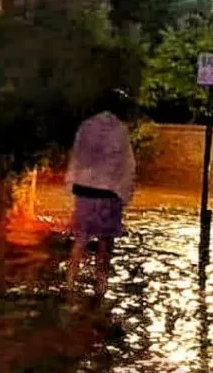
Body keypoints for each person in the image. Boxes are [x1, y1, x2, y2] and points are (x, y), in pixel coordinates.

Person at [65, 88, 136, 301]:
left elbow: (77, 156)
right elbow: (126, 165)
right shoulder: (120, 131)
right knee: (105, 243)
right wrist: (126, 193)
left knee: (81, 239)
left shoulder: (86, 126)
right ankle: (101, 285)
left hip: (84, 191)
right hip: (108, 193)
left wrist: (72, 183)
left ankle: (70, 279)